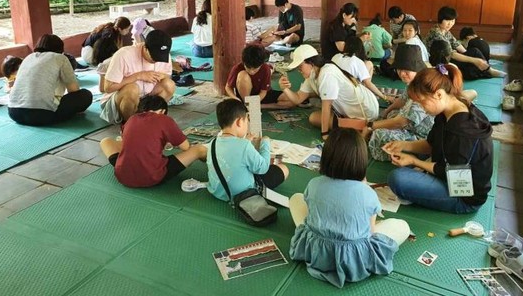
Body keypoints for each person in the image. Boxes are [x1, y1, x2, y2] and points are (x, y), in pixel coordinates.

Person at [289, 128, 409, 288]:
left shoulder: (314, 184)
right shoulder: (367, 193)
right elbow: (371, 233)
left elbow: (311, 211)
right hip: (353, 259)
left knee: (296, 199)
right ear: (360, 160)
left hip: (317, 251)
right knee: (402, 227)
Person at [383, 64, 494, 214]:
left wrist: (414, 161)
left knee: (397, 179)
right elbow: (432, 144)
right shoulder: (449, 111)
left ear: (439, 94)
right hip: (449, 171)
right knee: (404, 157)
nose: (422, 108)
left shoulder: (461, 131)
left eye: (422, 102)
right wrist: (403, 145)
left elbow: (449, 171)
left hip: (464, 196)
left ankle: (420, 187)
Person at [99, 95, 207, 188]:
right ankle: (213, 163)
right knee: (199, 149)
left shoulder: (131, 119)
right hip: (152, 177)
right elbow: (185, 147)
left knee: (106, 141)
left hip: (122, 175)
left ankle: (127, 165)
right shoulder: (164, 119)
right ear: (162, 111)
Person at [278, 44, 381, 139]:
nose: (299, 71)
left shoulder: (327, 73)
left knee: (316, 118)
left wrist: (325, 134)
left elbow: (326, 106)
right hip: (352, 110)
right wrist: (285, 89)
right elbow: (298, 99)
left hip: (367, 111)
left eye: (300, 67)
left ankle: (363, 125)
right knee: (314, 118)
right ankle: (355, 125)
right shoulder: (312, 75)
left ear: (311, 62)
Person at [207, 98, 289, 202]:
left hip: (218, 192)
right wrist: (265, 143)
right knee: (284, 169)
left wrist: (246, 141)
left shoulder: (212, 143)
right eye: (247, 121)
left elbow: (232, 152)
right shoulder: (244, 145)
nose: (247, 125)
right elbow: (263, 168)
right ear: (239, 122)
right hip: (242, 195)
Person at [367, 44, 434, 161]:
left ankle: (413, 156)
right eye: (399, 69)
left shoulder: (423, 90)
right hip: (411, 125)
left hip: (423, 137)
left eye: (406, 70)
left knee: (379, 134)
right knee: (390, 115)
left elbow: (401, 122)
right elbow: (402, 100)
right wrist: (385, 112)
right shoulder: (414, 82)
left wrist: (371, 126)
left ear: (417, 69)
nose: (402, 73)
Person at [8, 34, 93, 126]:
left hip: (14, 113)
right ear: (60, 49)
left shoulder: (28, 58)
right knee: (85, 95)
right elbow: (74, 90)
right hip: (42, 115)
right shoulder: (61, 58)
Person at [100, 29, 175, 124]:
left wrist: (162, 76)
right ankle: (131, 125)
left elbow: (167, 75)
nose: (156, 60)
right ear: (145, 47)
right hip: (116, 102)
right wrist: (138, 76)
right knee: (132, 88)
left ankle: (151, 118)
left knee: (169, 84)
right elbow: (108, 88)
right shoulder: (124, 55)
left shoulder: (164, 54)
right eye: (153, 57)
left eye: (160, 57)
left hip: (144, 99)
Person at [423, 6, 504, 78]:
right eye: (447, 20)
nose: (450, 24)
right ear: (440, 19)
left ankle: (487, 70)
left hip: (448, 58)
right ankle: (488, 71)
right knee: (472, 64)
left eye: (452, 21)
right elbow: (451, 54)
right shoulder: (436, 33)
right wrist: (474, 60)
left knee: (474, 52)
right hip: (439, 62)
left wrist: (470, 54)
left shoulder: (445, 31)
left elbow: (456, 44)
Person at [225, 44, 294, 109]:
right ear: (244, 62)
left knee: (292, 100)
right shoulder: (237, 68)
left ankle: (259, 106)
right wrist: (235, 98)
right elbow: (228, 87)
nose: (251, 71)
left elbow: (263, 92)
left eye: (255, 69)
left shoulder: (265, 68)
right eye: (248, 68)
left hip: (260, 96)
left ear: (261, 64)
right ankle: (247, 105)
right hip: (245, 97)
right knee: (243, 75)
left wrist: (255, 103)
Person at [332, 37, 393, 102]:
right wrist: (385, 97)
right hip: (350, 95)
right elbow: (368, 83)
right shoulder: (356, 61)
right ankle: (366, 93)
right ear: (360, 48)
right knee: (369, 64)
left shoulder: (335, 57)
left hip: (335, 93)